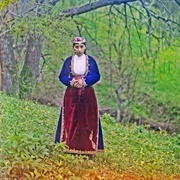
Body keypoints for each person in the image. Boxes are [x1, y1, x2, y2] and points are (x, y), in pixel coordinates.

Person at [55, 37, 104, 156]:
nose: (79, 49)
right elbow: (62, 76)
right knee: (70, 118)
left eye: (81, 46)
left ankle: (88, 148)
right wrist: (71, 82)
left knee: (87, 118)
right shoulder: (68, 61)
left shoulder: (90, 61)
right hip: (72, 94)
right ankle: (69, 145)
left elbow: (96, 75)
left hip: (87, 94)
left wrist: (85, 81)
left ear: (85, 47)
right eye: (76, 47)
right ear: (73, 48)